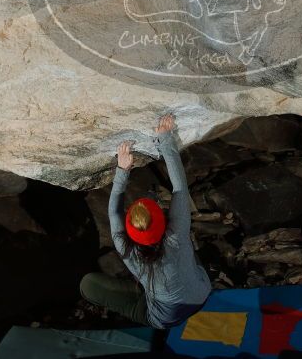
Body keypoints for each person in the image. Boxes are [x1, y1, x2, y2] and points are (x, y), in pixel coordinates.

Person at [79, 114, 212, 329]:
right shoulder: (163, 237)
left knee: (87, 286)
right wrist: (164, 139)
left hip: (169, 315)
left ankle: (145, 290)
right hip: (198, 291)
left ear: (132, 231)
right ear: (162, 220)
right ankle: (150, 286)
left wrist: (124, 169)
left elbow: (115, 212)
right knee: (181, 249)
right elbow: (179, 188)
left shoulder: (146, 244)